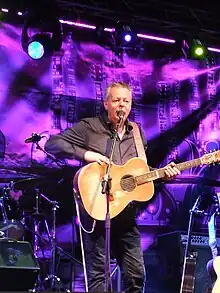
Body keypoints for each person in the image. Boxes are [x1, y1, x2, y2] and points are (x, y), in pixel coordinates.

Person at [44, 82, 181, 292]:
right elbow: (53, 144)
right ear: (106, 103)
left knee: (136, 275)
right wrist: (87, 155)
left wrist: (163, 174)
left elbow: (137, 172)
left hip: (126, 215)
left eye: (126, 101)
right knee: (99, 277)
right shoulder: (90, 127)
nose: (121, 105)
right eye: (116, 100)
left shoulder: (137, 132)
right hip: (97, 212)